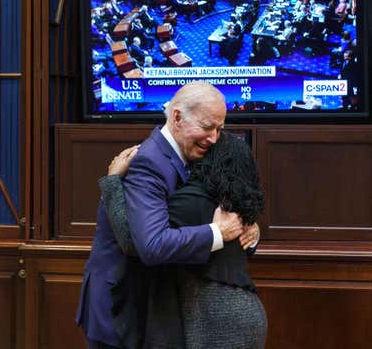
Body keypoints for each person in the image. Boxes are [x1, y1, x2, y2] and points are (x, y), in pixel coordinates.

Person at [77, 82, 258, 349]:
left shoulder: (193, 154)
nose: (214, 138)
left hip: (155, 303)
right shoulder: (149, 161)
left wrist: (248, 226)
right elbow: (151, 244)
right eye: (207, 127)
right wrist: (217, 232)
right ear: (177, 117)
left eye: (219, 129)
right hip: (123, 302)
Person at [101, 131, 267, 348]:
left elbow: (135, 242)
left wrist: (112, 182)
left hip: (216, 320)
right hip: (248, 315)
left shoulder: (193, 201)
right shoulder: (235, 202)